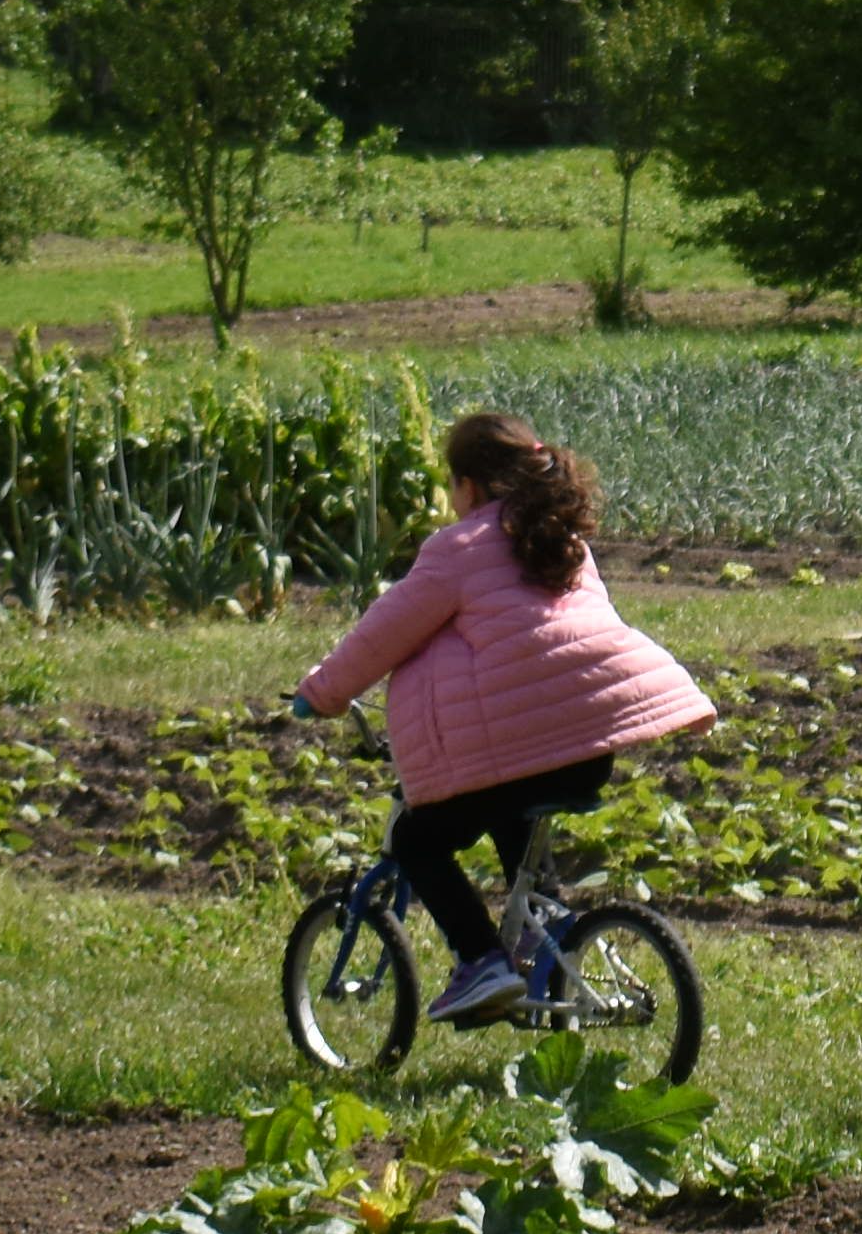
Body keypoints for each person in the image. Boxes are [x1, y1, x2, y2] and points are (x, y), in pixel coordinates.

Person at [295, 410, 717, 1028]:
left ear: (467, 486)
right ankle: (537, 941)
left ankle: (481, 962)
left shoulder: (456, 549)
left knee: (418, 840)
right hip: (586, 747)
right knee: (514, 812)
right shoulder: (561, 539)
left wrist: (322, 694)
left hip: (519, 749)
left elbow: (381, 636)